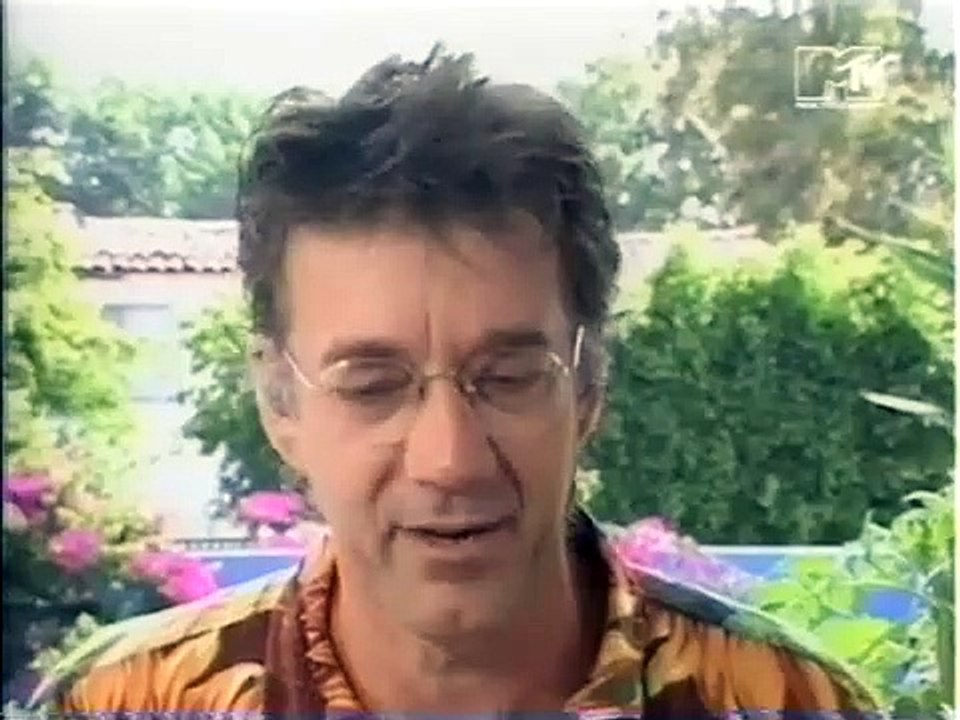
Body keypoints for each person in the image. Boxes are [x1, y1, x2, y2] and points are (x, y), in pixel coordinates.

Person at [31, 48, 879, 717]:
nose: (450, 460)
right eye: (372, 385)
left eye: (507, 377)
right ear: (280, 401)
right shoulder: (123, 704)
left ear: (589, 383)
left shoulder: (785, 704)